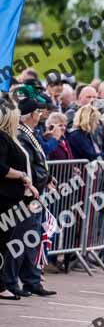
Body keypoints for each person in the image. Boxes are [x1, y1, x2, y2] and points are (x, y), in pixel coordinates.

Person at [6, 97, 56, 297]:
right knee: (21, 236)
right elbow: (25, 165)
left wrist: (48, 177)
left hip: (36, 192)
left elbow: (37, 162)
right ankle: (10, 281)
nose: (41, 115)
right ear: (31, 114)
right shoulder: (21, 135)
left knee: (33, 236)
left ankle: (31, 280)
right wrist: (36, 182)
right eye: (38, 111)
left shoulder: (30, 134)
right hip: (28, 194)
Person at [0, 101, 36, 300]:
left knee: (5, 243)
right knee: (2, 243)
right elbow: (1, 168)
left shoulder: (9, 138)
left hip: (13, 198)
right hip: (4, 200)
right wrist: (22, 175)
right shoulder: (2, 138)